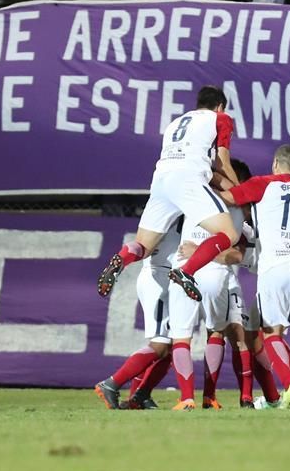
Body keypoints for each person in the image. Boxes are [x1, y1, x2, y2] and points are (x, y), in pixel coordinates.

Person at [217, 144, 290, 410]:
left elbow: (229, 197)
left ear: (275, 164)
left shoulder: (263, 184)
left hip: (273, 264)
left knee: (272, 333)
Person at [97, 85, 241, 303]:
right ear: (220, 106)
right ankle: (187, 271)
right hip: (188, 179)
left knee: (143, 247)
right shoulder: (221, 118)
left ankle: (121, 258)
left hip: (161, 181)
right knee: (229, 234)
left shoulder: (175, 123)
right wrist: (241, 191)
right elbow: (222, 161)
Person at [167, 159, 253, 410]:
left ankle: (186, 398)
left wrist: (196, 251)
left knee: (181, 338)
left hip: (183, 268)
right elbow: (236, 252)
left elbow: (238, 255)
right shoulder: (239, 210)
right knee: (216, 333)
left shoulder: (190, 196)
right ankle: (209, 396)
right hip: (215, 274)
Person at [94, 219, 182, 410]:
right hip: (160, 276)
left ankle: (139, 396)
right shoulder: (179, 204)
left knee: (173, 346)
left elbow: (140, 244)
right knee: (160, 344)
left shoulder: (172, 203)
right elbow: (143, 243)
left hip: (171, 276)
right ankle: (112, 383)